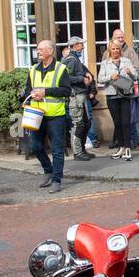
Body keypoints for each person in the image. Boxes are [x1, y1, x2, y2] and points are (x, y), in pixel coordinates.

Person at [20, 40, 71, 192]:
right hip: (37, 114)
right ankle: (48, 170)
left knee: (57, 149)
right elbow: (28, 88)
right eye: (37, 49)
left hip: (55, 115)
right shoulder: (33, 69)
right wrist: (33, 94)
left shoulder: (61, 69)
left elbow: (66, 91)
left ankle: (56, 180)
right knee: (35, 146)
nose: (38, 52)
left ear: (50, 51)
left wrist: (45, 92)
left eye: (41, 49)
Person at [96, 40, 138, 161]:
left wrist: (130, 72)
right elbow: (100, 79)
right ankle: (121, 147)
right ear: (110, 50)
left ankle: (128, 147)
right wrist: (110, 77)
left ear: (120, 50)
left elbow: (135, 76)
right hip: (112, 96)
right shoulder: (105, 63)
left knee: (126, 122)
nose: (115, 51)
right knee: (118, 123)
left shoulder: (127, 61)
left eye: (117, 49)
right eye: (113, 49)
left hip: (125, 95)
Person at [61, 37, 94, 162]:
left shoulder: (75, 59)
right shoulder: (71, 59)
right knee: (78, 125)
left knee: (86, 123)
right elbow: (66, 78)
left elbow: (76, 73)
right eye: (80, 45)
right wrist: (82, 79)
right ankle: (77, 152)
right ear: (74, 46)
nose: (83, 47)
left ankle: (82, 150)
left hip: (80, 95)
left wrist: (85, 74)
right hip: (75, 97)